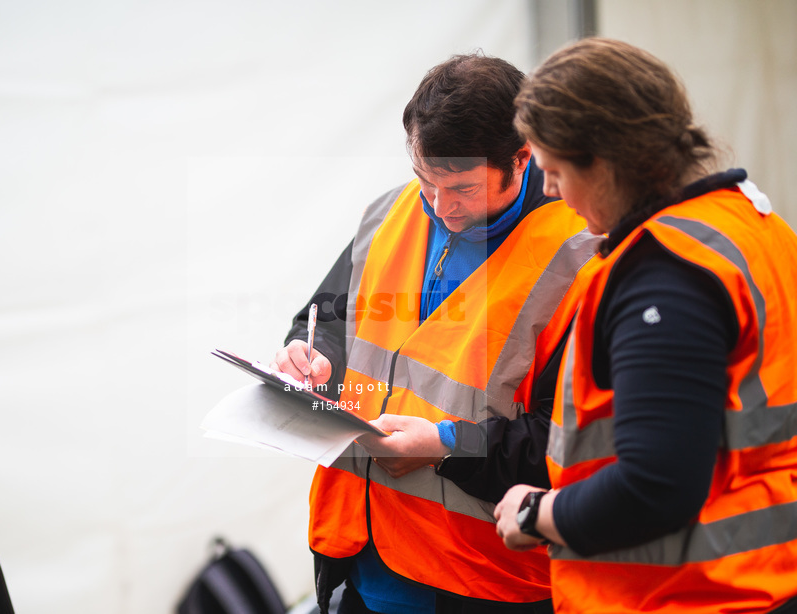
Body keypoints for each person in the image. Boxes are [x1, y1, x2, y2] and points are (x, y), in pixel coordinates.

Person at [272, 53, 600, 614]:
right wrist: (312, 357)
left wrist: (445, 447)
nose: (441, 207)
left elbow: (573, 445)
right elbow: (322, 319)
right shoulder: (391, 212)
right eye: (427, 179)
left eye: (464, 189)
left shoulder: (583, 258)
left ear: (522, 157)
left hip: (484, 581)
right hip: (360, 555)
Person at [493, 38, 797, 613]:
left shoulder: (663, 277)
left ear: (607, 160)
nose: (551, 192)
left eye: (555, 172)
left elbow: (656, 486)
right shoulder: (746, 222)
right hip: (762, 576)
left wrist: (538, 514)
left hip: (691, 593)